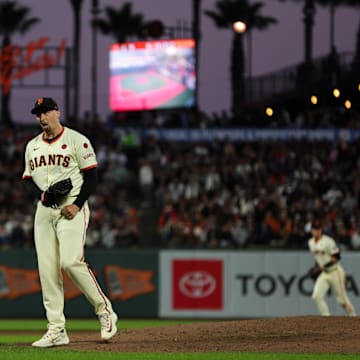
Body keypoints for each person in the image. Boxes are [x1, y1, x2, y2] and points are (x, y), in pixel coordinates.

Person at [22, 97, 118, 347]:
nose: (42, 118)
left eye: (45, 112)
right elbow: (27, 179)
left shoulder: (77, 139)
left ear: (57, 112)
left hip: (71, 209)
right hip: (44, 212)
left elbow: (92, 176)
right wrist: (41, 195)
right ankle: (56, 329)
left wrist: (77, 204)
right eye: (38, 114)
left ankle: (104, 310)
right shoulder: (32, 146)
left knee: (70, 260)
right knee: (48, 270)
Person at [307, 219, 356, 316]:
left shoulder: (328, 241)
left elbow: (336, 257)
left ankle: (354, 320)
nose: (317, 231)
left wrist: (322, 267)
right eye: (314, 229)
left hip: (335, 271)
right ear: (311, 230)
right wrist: (316, 267)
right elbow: (318, 258)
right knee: (316, 296)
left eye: (318, 228)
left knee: (342, 301)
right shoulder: (311, 242)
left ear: (321, 230)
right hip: (325, 273)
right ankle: (327, 320)